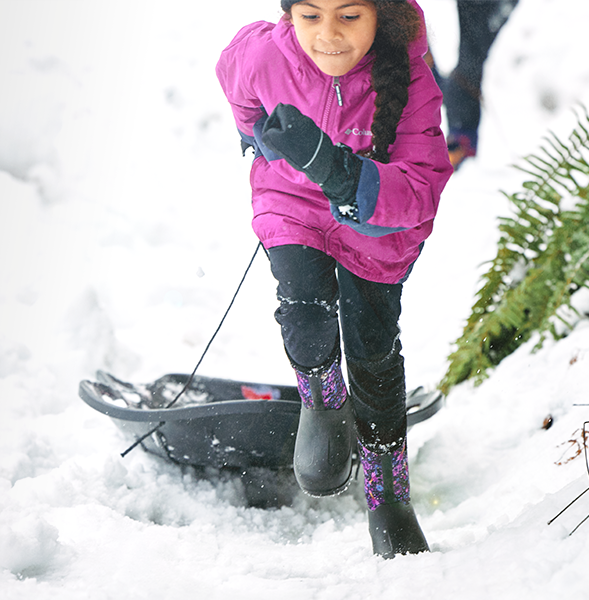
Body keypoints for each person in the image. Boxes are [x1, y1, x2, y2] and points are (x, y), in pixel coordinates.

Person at [216, 0, 451, 558]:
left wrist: (334, 167)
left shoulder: (409, 79)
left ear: (380, 15)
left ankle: (389, 498)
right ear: (290, 15)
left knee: (372, 349)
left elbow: (421, 188)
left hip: (375, 221)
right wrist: (258, 134)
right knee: (304, 305)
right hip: (291, 201)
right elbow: (233, 76)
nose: (328, 35)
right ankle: (322, 403)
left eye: (349, 16)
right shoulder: (265, 54)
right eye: (310, 15)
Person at [439, 0, 519, 167]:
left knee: (474, 29)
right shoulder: (464, 140)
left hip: (463, 85)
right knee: (476, 32)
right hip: (466, 84)